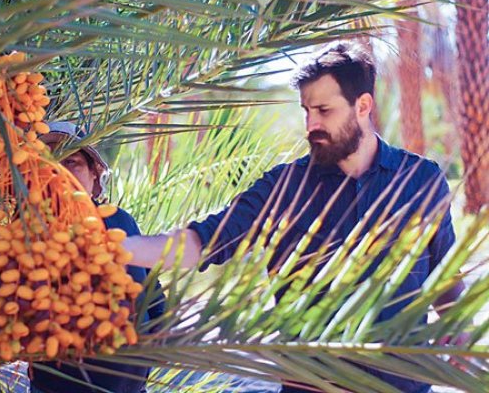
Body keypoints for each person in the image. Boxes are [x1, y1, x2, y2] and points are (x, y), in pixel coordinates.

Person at [122, 41, 466, 393]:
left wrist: (459, 327)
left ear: (363, 106)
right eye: (306, 111)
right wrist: (118, 248)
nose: (310, 124)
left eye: (323, 110)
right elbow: (200, 242)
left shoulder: (422, 180)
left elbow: (444, 274)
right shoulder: (281, 188)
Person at [29, 121, 165, 393]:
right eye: (50, 163)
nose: (60, 172)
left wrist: (153, 344)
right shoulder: (30, 235)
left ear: (94, 177)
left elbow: (151, 290)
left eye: (73, 161)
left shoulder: (121, 221)